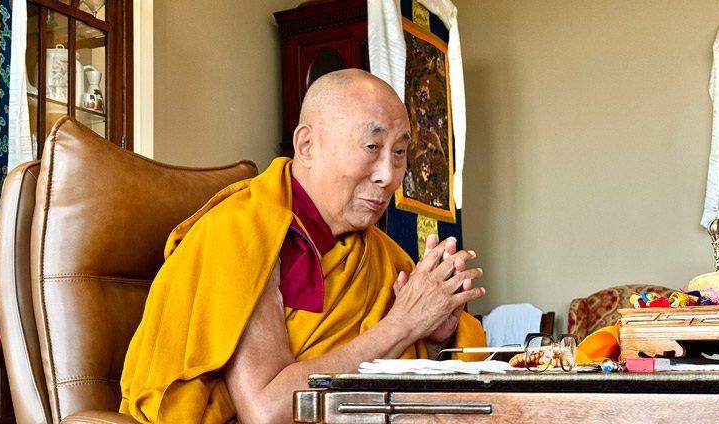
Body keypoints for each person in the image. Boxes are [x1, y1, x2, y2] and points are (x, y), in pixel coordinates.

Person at [119, 69, 486, 423]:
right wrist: (403, 324)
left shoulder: (381, 255)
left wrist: (433, 339)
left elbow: (399, 383)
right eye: (372, 147)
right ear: (306, 145)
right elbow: (268, 411)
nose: (388, 175)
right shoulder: (244, 232)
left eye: (400, 153)